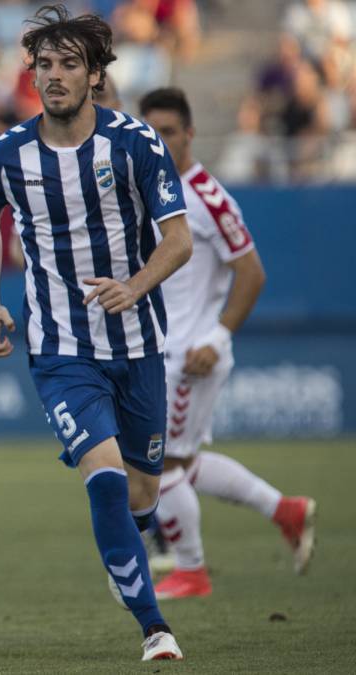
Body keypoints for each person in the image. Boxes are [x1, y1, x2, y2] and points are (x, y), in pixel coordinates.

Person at [0, 5, 192, 661]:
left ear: (95, 75)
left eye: (70, 63)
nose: (56, 75)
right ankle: (155, 626)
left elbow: (176, 240)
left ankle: (125, 548)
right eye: (45, 64)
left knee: (142, 491)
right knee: (104, 478)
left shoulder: (135, 144)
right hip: (61, 351)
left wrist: (136, 284)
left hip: (139, 344)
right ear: (32, 75)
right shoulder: (3, 157)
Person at [137, 87, 317, 599]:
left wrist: (217, 336)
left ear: (190, 133)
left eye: (169, 132)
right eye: (151, 133)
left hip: (190, 355)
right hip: (161, 351)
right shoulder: (150, 191)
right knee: (185, 463)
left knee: (159, 465)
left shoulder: (208, 197)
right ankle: (286, 510)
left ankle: (191, 570)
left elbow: (252, 273)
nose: (160, 142)